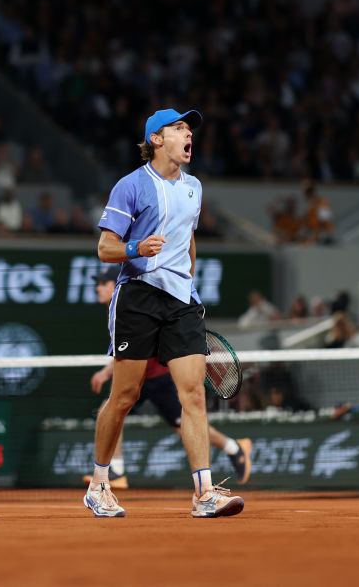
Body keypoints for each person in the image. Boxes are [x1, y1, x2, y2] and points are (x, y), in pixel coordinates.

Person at [85, 107, 244, 519]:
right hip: (137, 296)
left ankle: (204, 493)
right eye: (178, 128)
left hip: (181, 302)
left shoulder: (194, 188)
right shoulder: (131, 186)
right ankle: (99, 484)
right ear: (157, 139)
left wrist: (188, 284)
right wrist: (138, 248)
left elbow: (188, 241)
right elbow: (106, 248)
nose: (188, 134)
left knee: (192, 394)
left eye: (190, 128)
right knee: (124, 397)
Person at [87, 266, 252, 490]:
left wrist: (107, 372)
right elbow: (128, 350)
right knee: (112, 407)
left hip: (160, 378)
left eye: (103, 283)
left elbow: (141, 344)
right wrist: (108, 371)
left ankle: (233, 449)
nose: (98, 288)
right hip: (141, 377)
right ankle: (116, 470)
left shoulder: (138, 301)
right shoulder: (120, 307)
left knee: (183, 425)